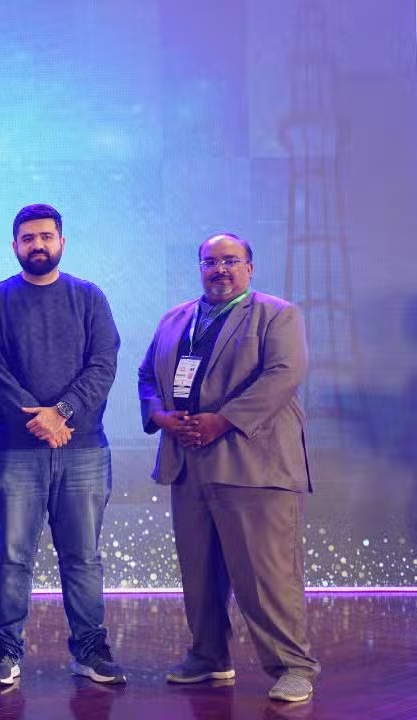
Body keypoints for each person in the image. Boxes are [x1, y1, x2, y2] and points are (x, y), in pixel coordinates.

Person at [138, 233, 320, 703]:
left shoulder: (277, 314)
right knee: (198, 573)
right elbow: (146, 376)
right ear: (200, 267)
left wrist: (223, 420)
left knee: (266, 575)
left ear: (249, 268)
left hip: (252, 464)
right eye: (210, 261)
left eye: (230, 261)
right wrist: (160, 416)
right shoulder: (175, 319)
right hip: (187, 463)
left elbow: (283, 374)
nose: (219, 269)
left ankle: (293, 667)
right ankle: (209, 657)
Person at [0, 203, 125, 687]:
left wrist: (61, 413)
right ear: (14, 245)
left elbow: (103, 363)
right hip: (14, 450)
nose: (37, 244)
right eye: (28, 238)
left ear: (61, 241)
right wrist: (41, 421)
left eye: (46, 236)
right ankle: (5, 650)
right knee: (12, 556)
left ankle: (90, 649)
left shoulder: (88, 296)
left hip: (82, 449)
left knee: (83, 557)